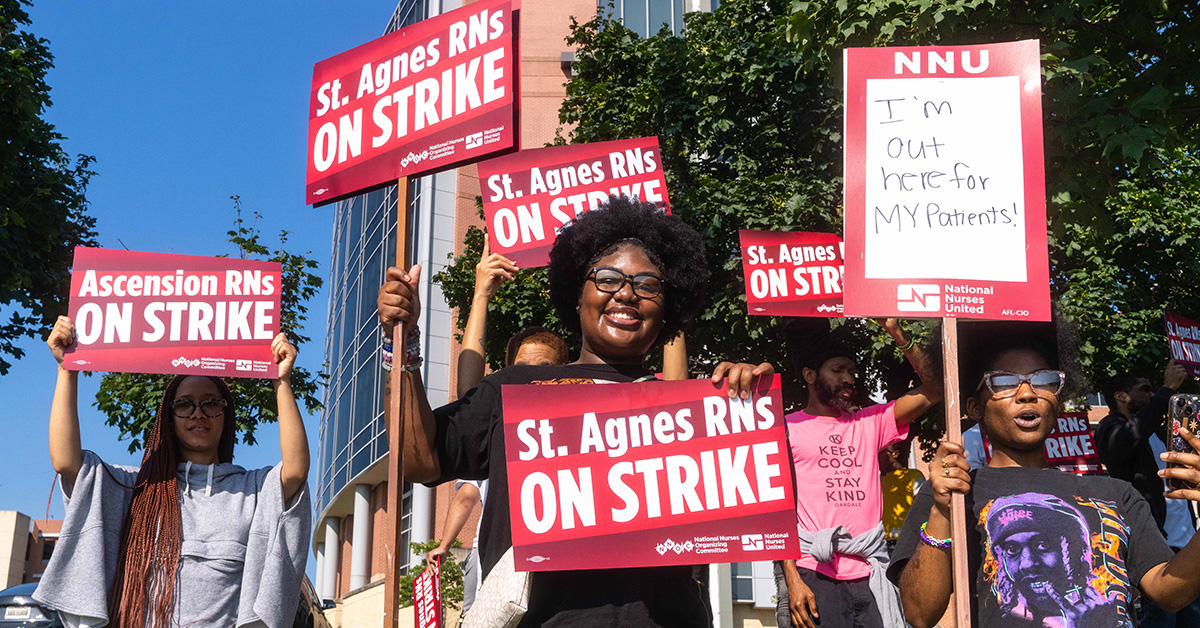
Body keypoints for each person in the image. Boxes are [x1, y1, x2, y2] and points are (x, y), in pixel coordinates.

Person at [377, 194, 771, 626]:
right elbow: (420, 460)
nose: (626, 294)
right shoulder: (516, 388)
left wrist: (745, 403)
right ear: (577, 292)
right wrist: (403, 345)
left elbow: (753, 501)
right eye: (607, 278)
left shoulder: (691, 407)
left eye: (648, 285)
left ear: (668, 310)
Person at [889, 321, 1200, 628]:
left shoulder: (1117, 495)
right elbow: (919, 613)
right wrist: (942, 511)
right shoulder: (954, 492)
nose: (1027, 394)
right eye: (1004, 382)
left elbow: (1170, 593)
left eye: (1044, 380)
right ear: (974, 406)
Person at [34, 316, 312, 628]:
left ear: (225, 415)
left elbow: (296, 471)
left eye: (210, 403)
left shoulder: (252, 490)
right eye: (185, 404)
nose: (198, 413)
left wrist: (281, 382)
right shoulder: (134, 487)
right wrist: (65, 370)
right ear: (169, 417)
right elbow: (66, 462)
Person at [776, 318, 942, 628]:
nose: (848, 378)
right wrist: (791, 578)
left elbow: (935, 387)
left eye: (852, 371)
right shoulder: (787, 428)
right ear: (810, 375)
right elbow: (778, 507)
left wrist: (895, 330)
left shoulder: (870, 422)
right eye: (837, 370)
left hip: (871, 572)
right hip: (812, 572)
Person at [431, 244, 569, 612]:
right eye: (520, 370)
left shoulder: (583, 422)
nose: (530, 380)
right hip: (506, 576)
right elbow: (469, 393)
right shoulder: (498, 424)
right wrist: (480, 295)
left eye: (544, 371)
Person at [1096, 362, 1197, 626]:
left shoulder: (1158, 434)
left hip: (1186, 541)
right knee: (1160, 621)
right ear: (1121, 397)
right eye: (1145, 389)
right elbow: (1128, 439)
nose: (1152, 396)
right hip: (1156, 548)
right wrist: (1167, 389)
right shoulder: (1111, 427)